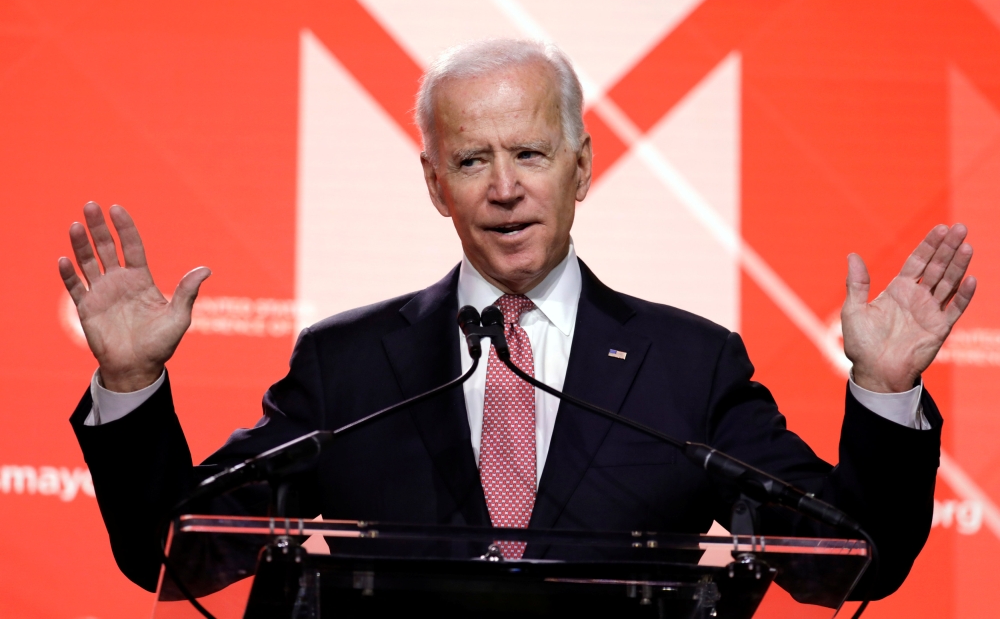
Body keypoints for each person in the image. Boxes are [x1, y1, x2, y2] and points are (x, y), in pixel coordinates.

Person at [61, 40, 975, 598]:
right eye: (471, 160)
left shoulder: (688, 365)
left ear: (581, 168)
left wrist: (885, 391)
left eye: (531, 153)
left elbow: (847, 563)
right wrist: (133, 386)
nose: (504, 189)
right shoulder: (348, 365)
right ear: (434, 184)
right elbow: (177, 561)